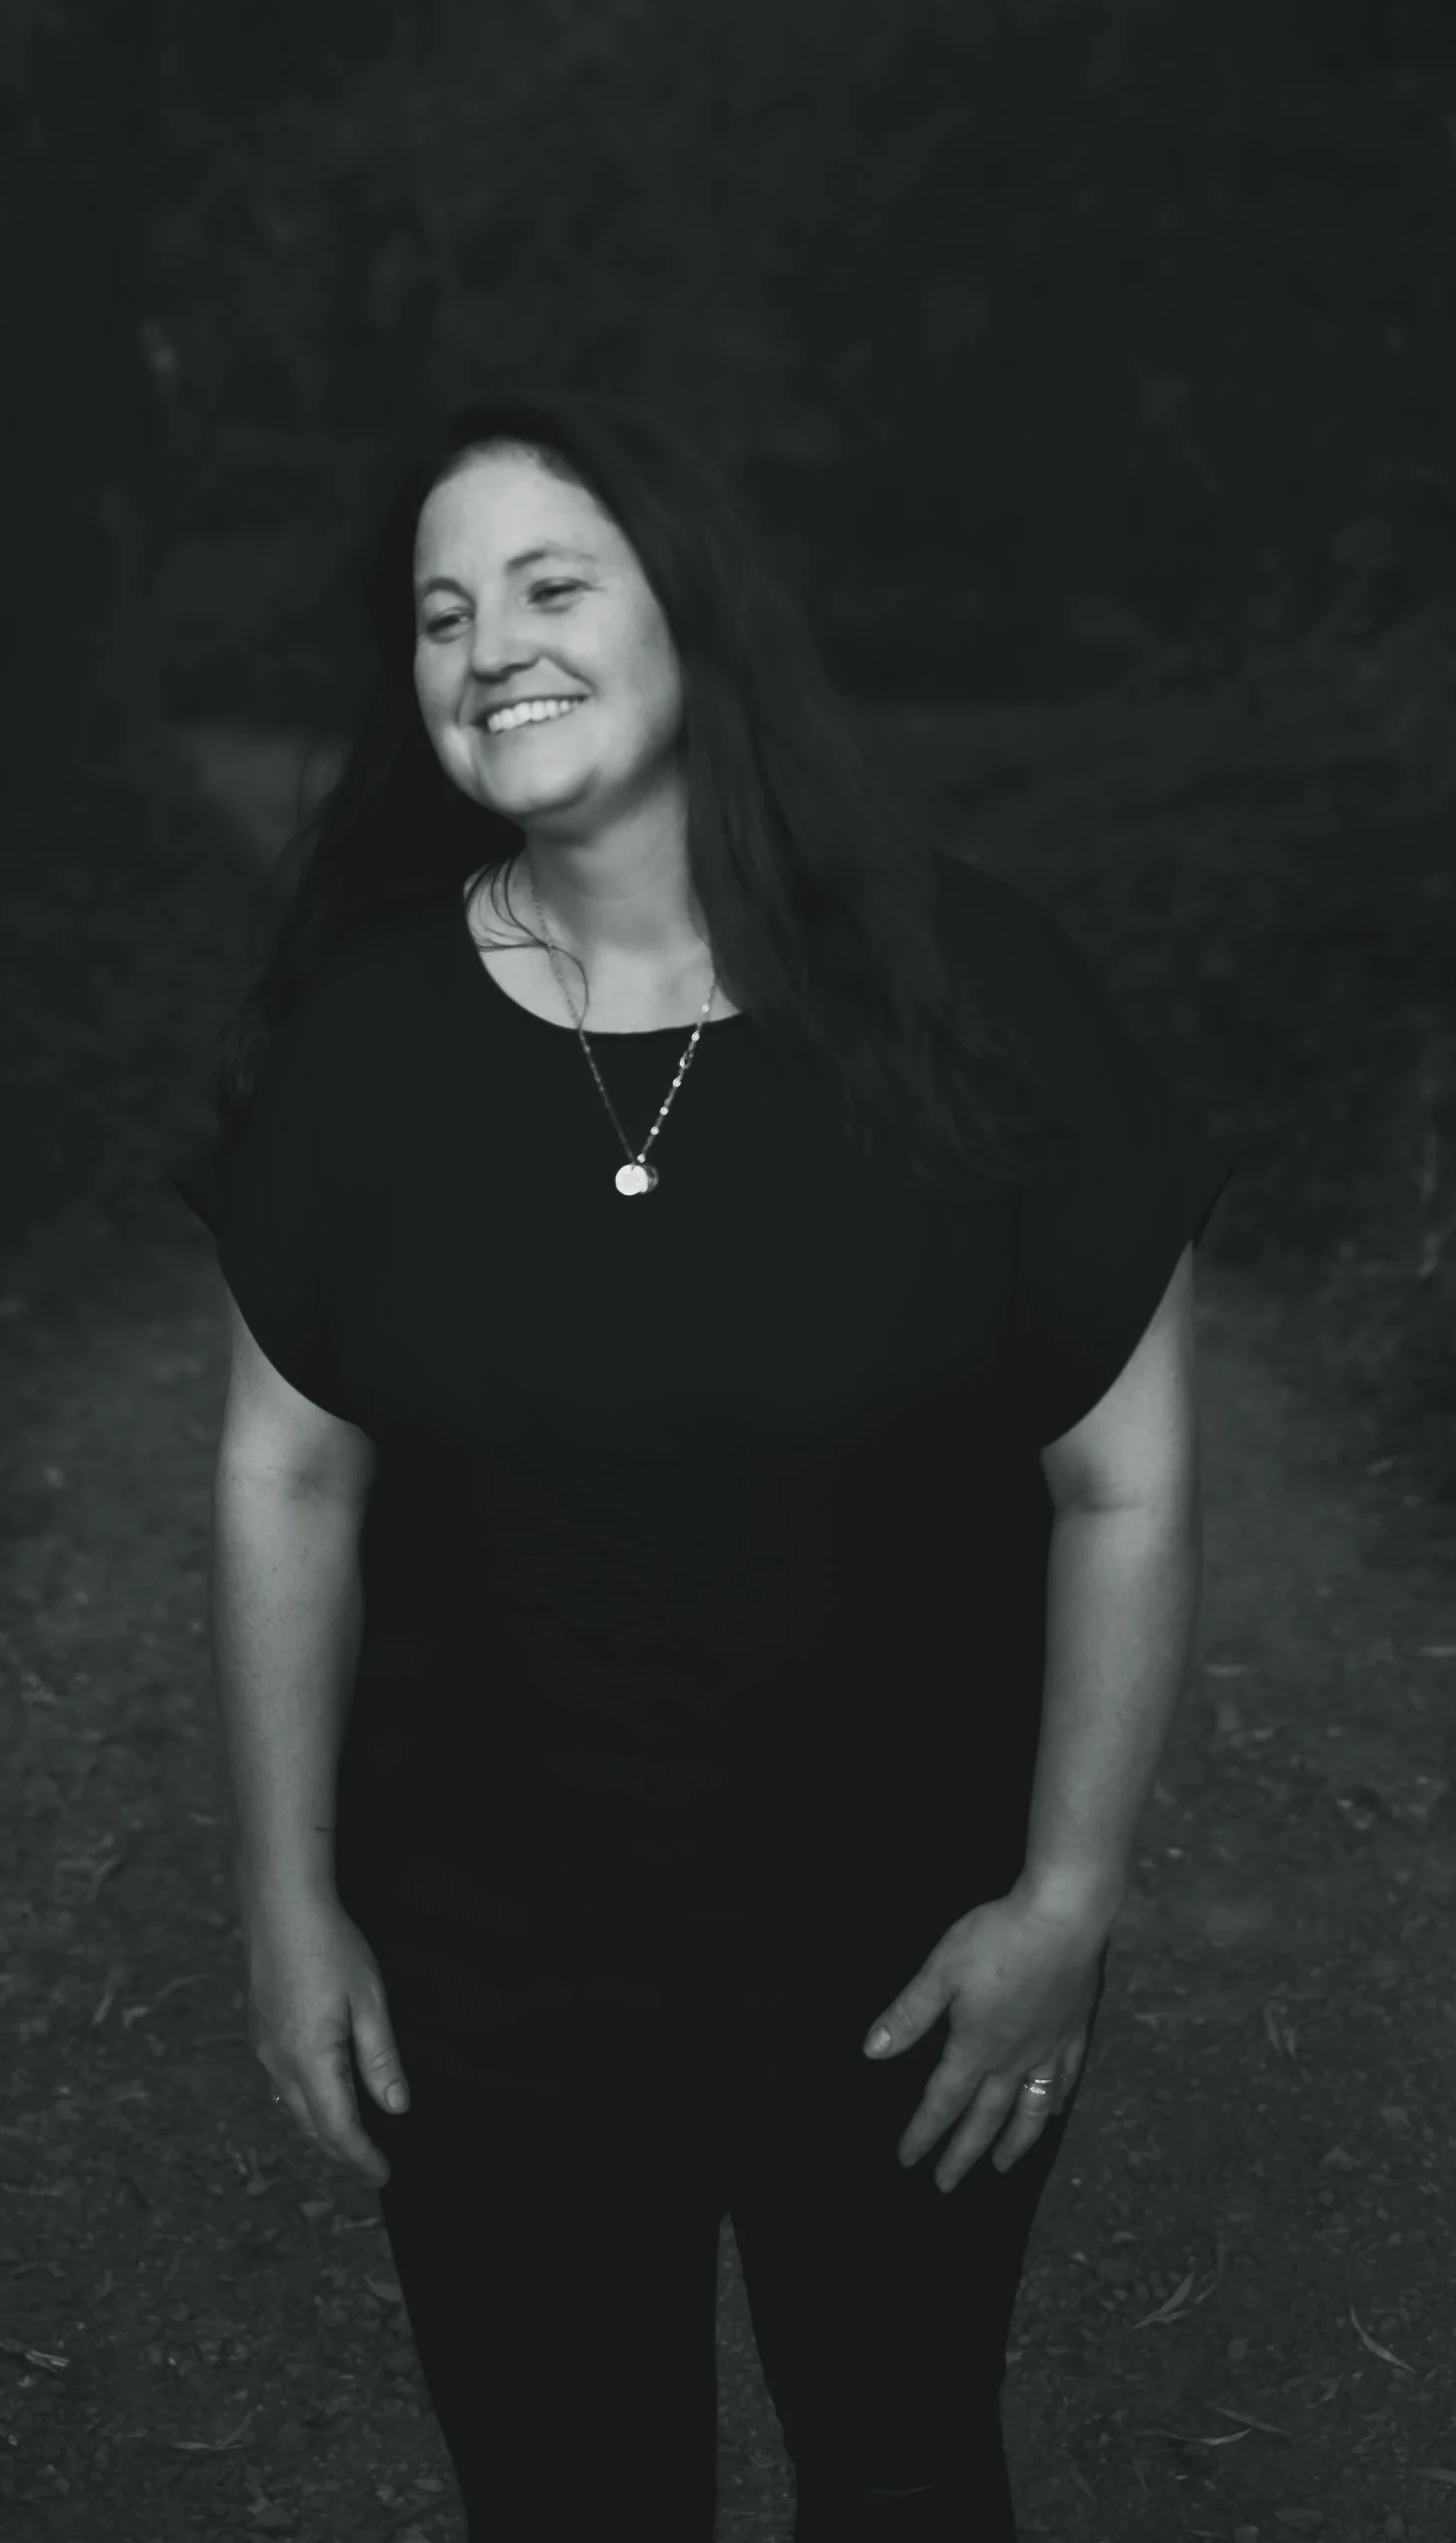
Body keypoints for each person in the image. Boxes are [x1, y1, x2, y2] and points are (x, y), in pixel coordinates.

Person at [185, 388, 1228, 2543]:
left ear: (697, 622)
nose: (488, 648)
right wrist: (288, 1902)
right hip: (490, 1974)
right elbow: (286, 1478)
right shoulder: (361, 1040)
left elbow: (1119, 1483)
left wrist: (1064, 1899)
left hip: (900, 1955)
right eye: (440, 614)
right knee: (565, 2497)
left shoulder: (972, 992)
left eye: (549, 586)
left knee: (906, 2471)